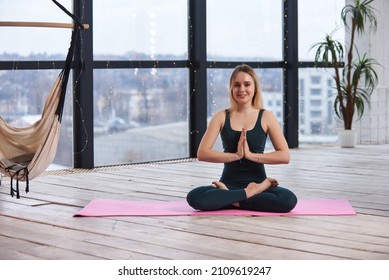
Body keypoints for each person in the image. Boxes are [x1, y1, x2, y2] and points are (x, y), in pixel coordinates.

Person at [186, 64, 297, 212]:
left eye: (247, 84)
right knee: (195, 197)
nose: (242, 89)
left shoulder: (266, 117)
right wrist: (236, 155)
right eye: (236, 85)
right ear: (231, 89)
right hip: (228, 183)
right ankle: (247, 194)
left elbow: (284, 156)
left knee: (288, 200)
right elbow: (202, 153)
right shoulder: (221, 116)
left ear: (255, 87)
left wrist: (251, 155)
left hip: (258, 183)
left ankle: (230, 198)